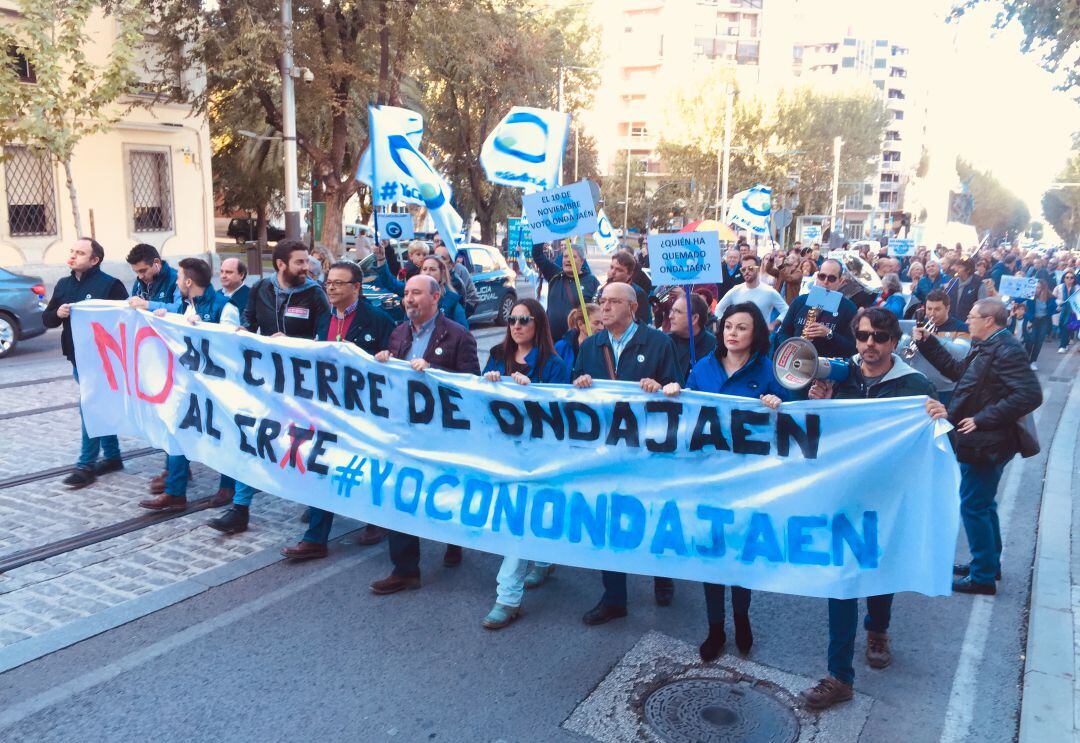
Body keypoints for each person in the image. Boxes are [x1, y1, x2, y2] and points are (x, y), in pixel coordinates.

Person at [798, 307, 944, 710]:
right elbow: (820, 433)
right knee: (842, 580)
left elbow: (937, 443)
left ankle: (878, 629)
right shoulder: (841, 376)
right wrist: (820, 403)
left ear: (894, 342)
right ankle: (839, 675)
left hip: (890, 498)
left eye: (879, 337)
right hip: (845, 496)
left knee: (880, 573)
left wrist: (939, 415)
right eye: (863, 336)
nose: (870, 345)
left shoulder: (914, 385)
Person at [661, 302, 789, 662]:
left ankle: (742, 618)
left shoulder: (766, 371)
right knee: (713, 550)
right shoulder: (702, 368)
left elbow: (794, 415)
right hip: (709, 476)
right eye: (728, 326)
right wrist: (675, 393)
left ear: (756, 334)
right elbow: (687, 412)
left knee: (741, 552)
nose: (732, 333)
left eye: (742, 327)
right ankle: (715, 628)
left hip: (749, 478)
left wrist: (778, 401)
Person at [914, 298, 1042, 594]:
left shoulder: (1007, 349)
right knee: (983, 503)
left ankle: (982, 576)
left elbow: (1030, 394)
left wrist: (983, 419)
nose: (966, 320)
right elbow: (958, 372)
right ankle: (987, 564)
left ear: (989, 320)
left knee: (974, 505)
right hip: (984, 438)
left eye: (972, 316)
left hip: (989, 440)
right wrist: (928, 343)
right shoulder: (988, 344)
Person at [572, 282, 679, 624]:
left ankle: (662, 576)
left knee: (652, 514)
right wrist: (581, 384)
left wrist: (660, 389)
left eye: (613, 302)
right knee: (608, 519)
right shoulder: (591, 345)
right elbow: (573, 393)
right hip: (605, 451)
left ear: (632, 307)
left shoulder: (659, 343)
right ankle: (614, 595)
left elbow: (677, 392)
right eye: (602, 301)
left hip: (647, 452)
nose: (604, 307)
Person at [209, 240, 331, 535]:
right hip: (267, 381)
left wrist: (289, 344)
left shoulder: (315, 294)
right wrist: (245, 333)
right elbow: (250, 321)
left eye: (307, 262)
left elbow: (325, 338)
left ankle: (315, 505)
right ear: (280, 264)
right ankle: (240, 508)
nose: (307, 268)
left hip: (304, 384)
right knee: (252, 438)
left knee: (305, 445)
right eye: (300, 262)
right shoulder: (260, 288)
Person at [369, 275, 480, 595]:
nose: (408, 299)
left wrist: (434, 371)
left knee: (444, 495)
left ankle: (454, 539)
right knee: (399, 493)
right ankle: (405, 569)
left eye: (416, 293)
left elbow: (470, 387)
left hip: (442, 435)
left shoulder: (458, 336)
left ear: (435, 297)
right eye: (405, 294)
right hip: (404, 432)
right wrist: (383, 364)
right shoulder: (398, 332)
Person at [280, 261, 396, 559]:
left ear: (355, 287)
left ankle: (376, 521)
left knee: (366, 466)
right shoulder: (322, 319)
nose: (330, 287)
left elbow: (394, 364)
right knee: (323, 465)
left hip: (364, 411)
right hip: (328, 410)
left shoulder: (378, 320)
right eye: (328, 282)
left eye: (338, 283)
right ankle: (316, 538)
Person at [479, 299, 571, 629]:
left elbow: (561, 415)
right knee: (519, 516)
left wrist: (534, 394)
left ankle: (507, 596)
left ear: (538, 324)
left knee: (519, 519)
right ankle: (545, 558)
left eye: (524, 320)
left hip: (538, 455)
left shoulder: (554, 364)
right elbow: (480, 404)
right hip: (503, 451)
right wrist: (488, 382)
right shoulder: (496, 356)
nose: (516, 325)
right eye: (512, 319)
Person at [137, 258, 238, 512]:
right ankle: (175, 491)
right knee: (176, 429)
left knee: (223, 434)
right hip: (188, 384)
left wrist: (201, 328)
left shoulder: (225, 307)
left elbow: (230, 344)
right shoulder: (184, 306)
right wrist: (166, 319)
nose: (177, 282)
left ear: (189, 281)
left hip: (217, 387)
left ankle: (228, 485)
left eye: (180, 278)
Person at [42, 238, 128, 489]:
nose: (74, 255)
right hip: (78, 357)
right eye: (72, 251)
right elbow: (47, 319)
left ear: (94, 260)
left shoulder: (110, 285)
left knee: (89, 406)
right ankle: (112, 456)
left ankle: (85, 464)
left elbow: (125, 320)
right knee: (96, 405)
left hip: (103, 359)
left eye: (80, 253)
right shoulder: (64, 284)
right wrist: (57, 314)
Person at [776, 259, 858, 358]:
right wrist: (792, 349)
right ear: (817, 277)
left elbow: (853, 347)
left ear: (840, 281)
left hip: (828, 367)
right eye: (822, 276)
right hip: (796, 361)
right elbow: (784, 331)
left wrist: (829, 334)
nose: (825, 282)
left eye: (831, 278)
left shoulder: (849, 308)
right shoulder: (800, 301)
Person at [373, 246, 469, 328]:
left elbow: (464, 337)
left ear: (442, 273)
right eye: (424, 269)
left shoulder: (451, 300)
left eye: (432, 269)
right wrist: (381, 259)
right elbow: (390, 282)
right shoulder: (411, 290)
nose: (427, 273)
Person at [906, 289, 970, 406]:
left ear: (947, 308)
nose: (932, 313)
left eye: (937, 309)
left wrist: (931, 338)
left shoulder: (961, 327)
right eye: (929, 309)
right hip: (919, 387)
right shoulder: (920, 324)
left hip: (945, 390)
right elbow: (905, 351)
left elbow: (960, 353)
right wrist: (908, 339)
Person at [529, 241, 600, 341]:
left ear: (582, 261)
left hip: (578, 343)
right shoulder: (554, 274)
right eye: (565, 256)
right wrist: (542, 234)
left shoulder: (591, 281)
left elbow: (598, 309)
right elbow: (537, 254)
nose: (568, 260)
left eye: (573, 257)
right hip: (552, 341)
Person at [713, 255, 788, 330]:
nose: (746, 272)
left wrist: (774, 324)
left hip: (761, 338)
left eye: (751, 268)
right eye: (743, 269)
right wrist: (726, 325)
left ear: (758, 269)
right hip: (739, 338)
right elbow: (718, 309)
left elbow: (786, 310)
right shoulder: (736, 290)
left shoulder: (769, 292)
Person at [666, 289, 717, 380]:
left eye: (677, 312)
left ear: (694, 318)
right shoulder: (664, 342)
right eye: (671, 311)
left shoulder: (713, 348)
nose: (670, 316)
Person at [604, 251, 651, 325]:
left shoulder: (638, 294)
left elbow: (642, 324)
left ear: (630, 274)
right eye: (611, 267)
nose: (612, 272)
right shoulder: (603, 288)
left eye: (619, 270)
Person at [125, 243, 178, 307]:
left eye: (143, 271)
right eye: (136, 272)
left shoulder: (177, 279)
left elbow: (181, 309)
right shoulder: (138, 283)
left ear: (157, 262)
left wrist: (147, 305)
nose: (140, 277)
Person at [435, 244, 480, 317]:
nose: (437, 261)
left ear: (452, 263)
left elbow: (473, 300)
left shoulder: (458, 276)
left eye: (442, 258)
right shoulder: (427, 276)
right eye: (435, 257)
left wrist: (459, 317)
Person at [554, 303, 602, 371]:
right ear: (580, 324)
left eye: (602, 323)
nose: (601, 327)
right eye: (596, 323)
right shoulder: (561, 347)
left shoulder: (605, 348)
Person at [1024, 280, 1056, 369]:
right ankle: (1025, 360)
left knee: (1039, 342)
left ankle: (1033, 361)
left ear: (1043, 289)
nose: (1036, 289)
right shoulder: (1031, 295)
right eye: (1035, 287)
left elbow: (1052, 310)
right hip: (1033, 320)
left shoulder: (1050, 297)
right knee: (1031, 340)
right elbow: (1022, 303)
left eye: (1038, 288)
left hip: (1043, 321)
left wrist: (1057, 308)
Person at [946, 258, 988, 323]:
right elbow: (946, 299)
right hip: (952, 321)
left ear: (968, 270)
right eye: (956, 267)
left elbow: (982, 307)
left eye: (960, 267)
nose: (956, 269)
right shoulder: (953, 282)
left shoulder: (979, 284)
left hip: (969, 323)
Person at [1054, 269, 1077, 352]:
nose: (1069, 279)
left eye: (1071, 277)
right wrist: (1058, 302)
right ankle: (1063, 345)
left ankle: (1064, 345)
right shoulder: (1059, 287)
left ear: (1074, 279)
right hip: (1061, 311)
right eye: (1067, 277)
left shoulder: (1077, 288)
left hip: (1072, 312)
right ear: (1064, 278)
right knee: (1062, 327)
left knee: (1068, 328)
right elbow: (1054, 297)